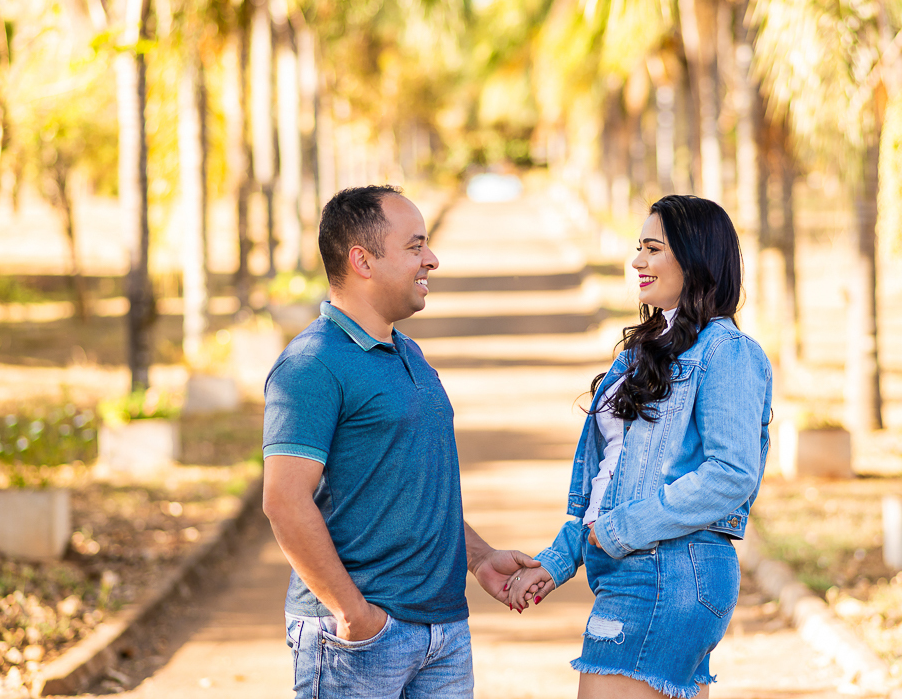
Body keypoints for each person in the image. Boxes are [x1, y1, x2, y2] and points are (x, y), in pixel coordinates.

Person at [262, 185, 539, 699]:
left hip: (444, 633)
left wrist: (479, 558)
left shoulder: (409, 352)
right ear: (362, 261)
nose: (431, 259)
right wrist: (353, 615)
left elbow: (407, 487)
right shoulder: (311, 364)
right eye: (415, 246)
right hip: (361, 639)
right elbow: (284, 500)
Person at [507, 195, 773, 699]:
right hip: (643, 566)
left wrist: (617, 531)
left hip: (666, 570)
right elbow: (612, 476)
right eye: (639, 248)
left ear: (695, 258)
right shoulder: (645, 350)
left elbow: (731, 474)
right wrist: (558, 559)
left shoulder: (727, 352)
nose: (637, 262)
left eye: (653, 249)